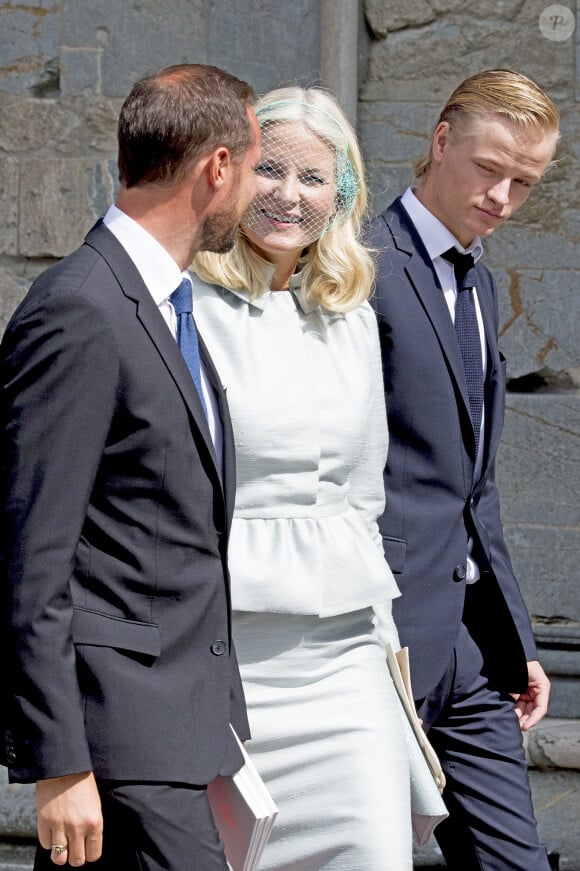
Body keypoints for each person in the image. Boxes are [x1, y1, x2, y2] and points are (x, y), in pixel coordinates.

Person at [0, 63, 261, 870]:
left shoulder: (164, 305)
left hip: (176, 740)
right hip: (117, 751)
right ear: (217, 168)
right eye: (254, 167)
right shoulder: (82, 307)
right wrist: (60, 760)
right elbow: (27, 552)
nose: (254, 194)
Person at [191, 85, 419, 871]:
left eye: (314, 177)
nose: (290, 194)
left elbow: (365, 494)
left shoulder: (350, 312)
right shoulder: (182, 303)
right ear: (229, 174)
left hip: (346, 665)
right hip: (229, 659)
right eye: (270, 169)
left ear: (343, 194)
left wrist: (389, 652)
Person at [366, 68, 560, 870]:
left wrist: (519, 640)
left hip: (473, 656)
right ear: (440, 142)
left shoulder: (477, 281)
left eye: (525, 181)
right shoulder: (360, 265)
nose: (504, 197)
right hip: (379, 645)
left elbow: (475, 490)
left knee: (515, 860)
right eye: (490, 168)